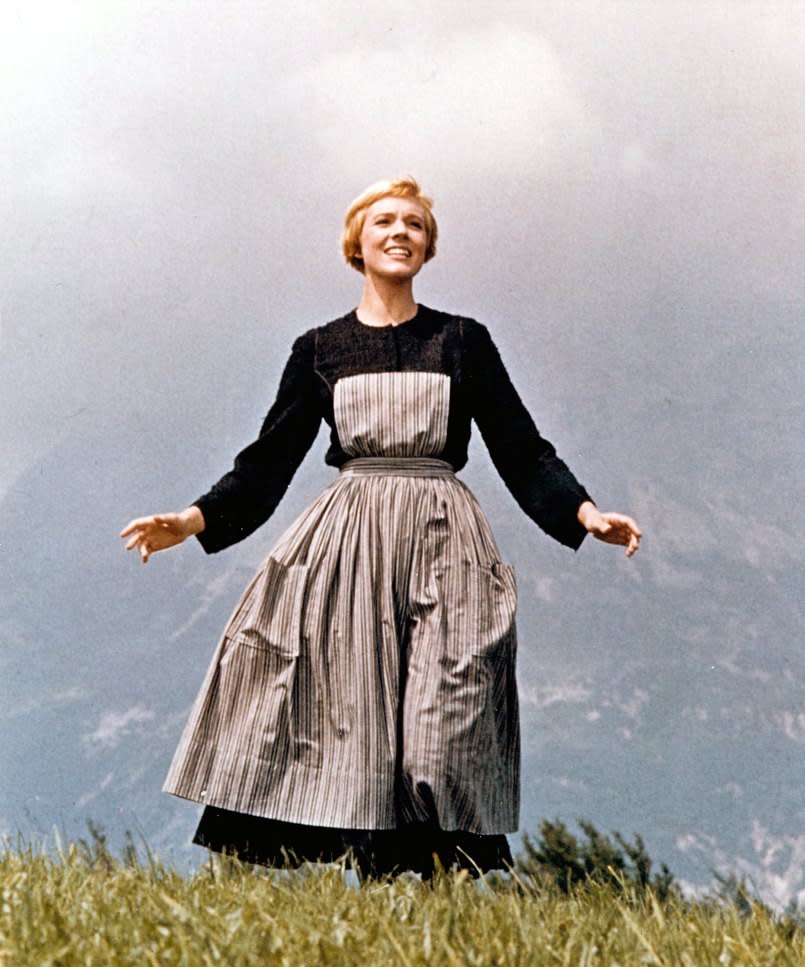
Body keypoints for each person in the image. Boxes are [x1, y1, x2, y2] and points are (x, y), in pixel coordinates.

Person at [121, 177, 641, 877]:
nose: (400, 232)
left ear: (427, 248)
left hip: (443, 538)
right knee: (348, 723)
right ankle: (387, 895)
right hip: (348, 547)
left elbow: (522, 448)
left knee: (446, 718)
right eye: (385, 222)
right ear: (356, 245)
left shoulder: (462, 339)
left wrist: (584, 513)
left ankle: (429, 877)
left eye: (415, 225)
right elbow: (266, 461)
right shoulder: (319, 348)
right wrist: (189, 519)